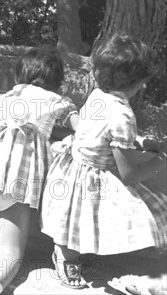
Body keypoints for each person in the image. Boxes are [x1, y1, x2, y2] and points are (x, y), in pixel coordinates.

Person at [40, 35, 167, 290]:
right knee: (154, 211)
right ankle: (65, 257)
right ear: (139, 82)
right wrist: (161, 160)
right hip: (94, 177)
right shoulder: (123, 113)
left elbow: (102, 133)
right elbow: (129, 174)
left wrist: (141, 142)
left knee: (72, 220)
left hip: (72, 168)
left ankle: (66, 255)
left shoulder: (98, 95)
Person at [0, 47, 79, 295]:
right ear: (57, 80)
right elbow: (82, 128)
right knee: (10, 252)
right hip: (16, 182)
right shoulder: (57, 102)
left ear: (20, 75)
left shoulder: (3, 98)